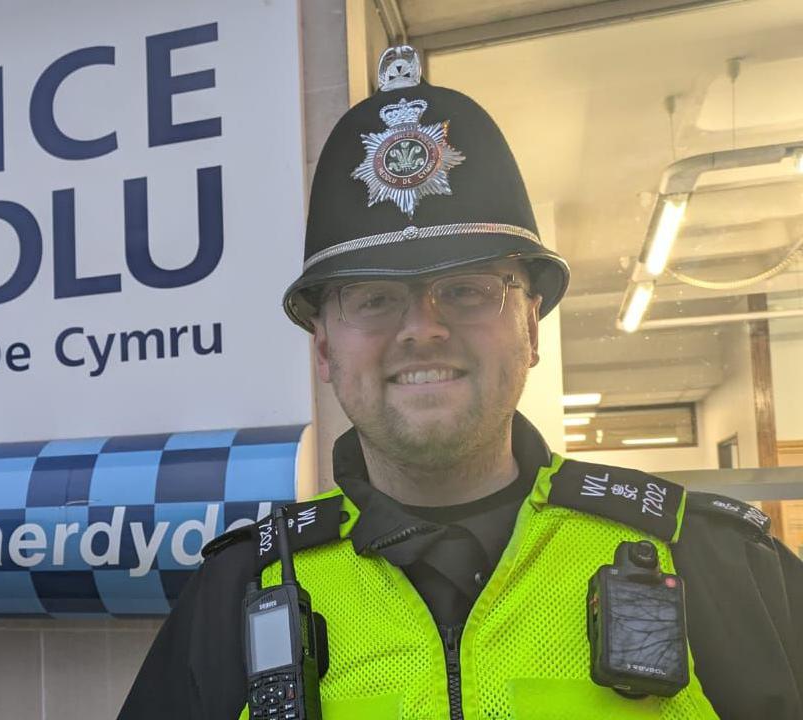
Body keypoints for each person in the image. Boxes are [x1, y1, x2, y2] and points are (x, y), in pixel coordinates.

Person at [117, 46, 803, 719]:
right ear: (323, 347)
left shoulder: (712, 565)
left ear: (532, 328)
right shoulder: (238, 594)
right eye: (373, 297)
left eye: (469, 290)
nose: (424, 327)